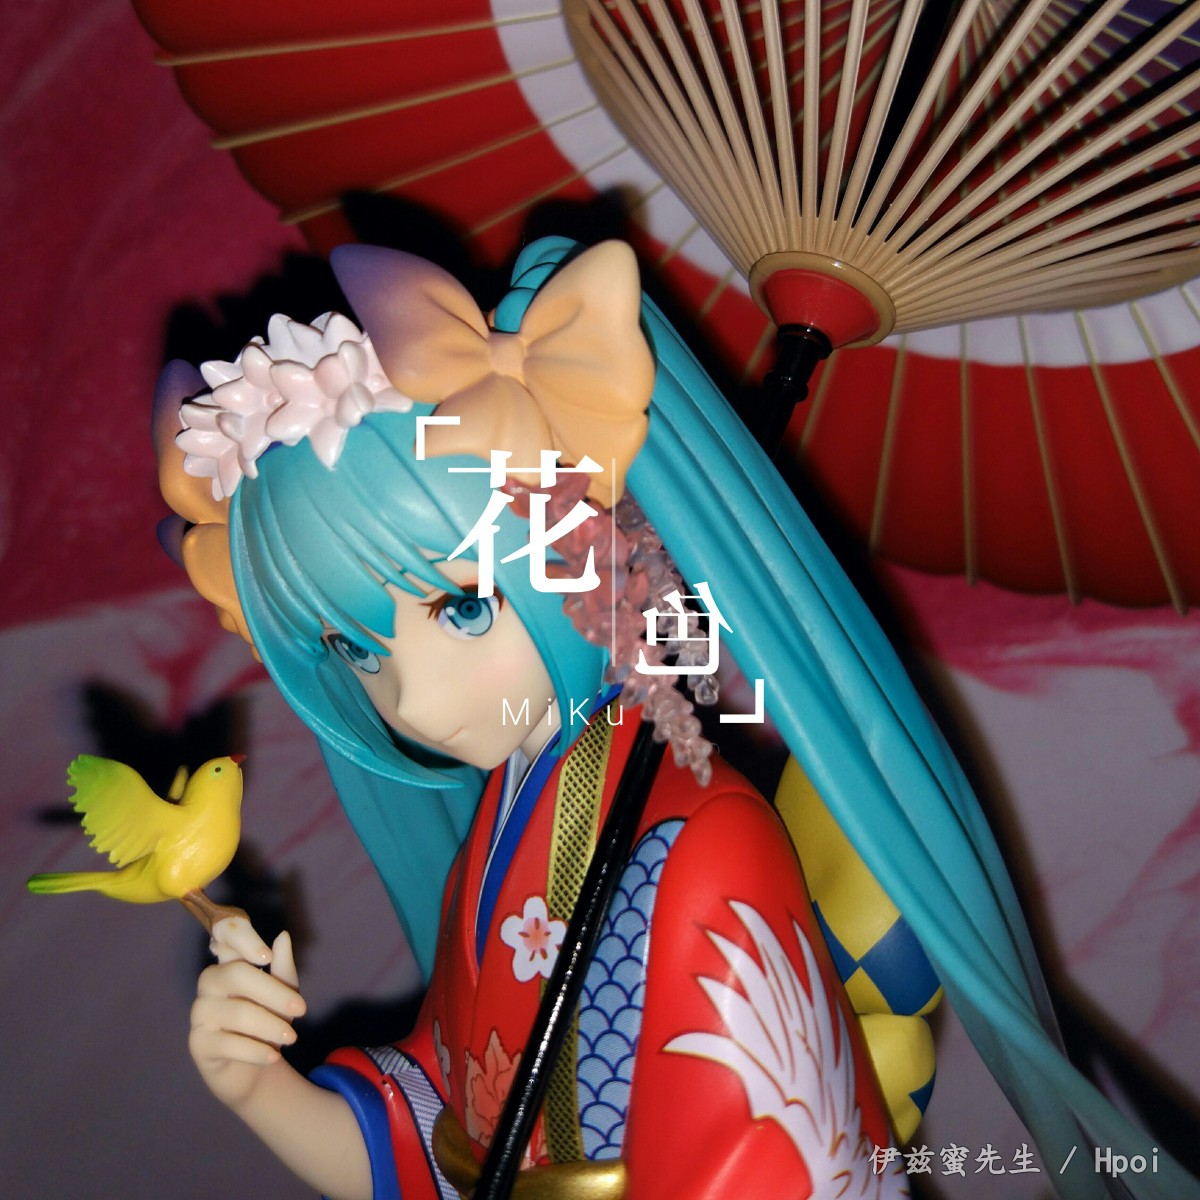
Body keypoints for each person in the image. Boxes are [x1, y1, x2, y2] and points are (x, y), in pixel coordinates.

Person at [155, 238, 1192, 1200]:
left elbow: (762, 1163)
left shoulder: (700, 847)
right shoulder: (510, 830)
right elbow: (445, 1122)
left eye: (465, 608)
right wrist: (263, 1089)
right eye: (355, 650)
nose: (412, 698)